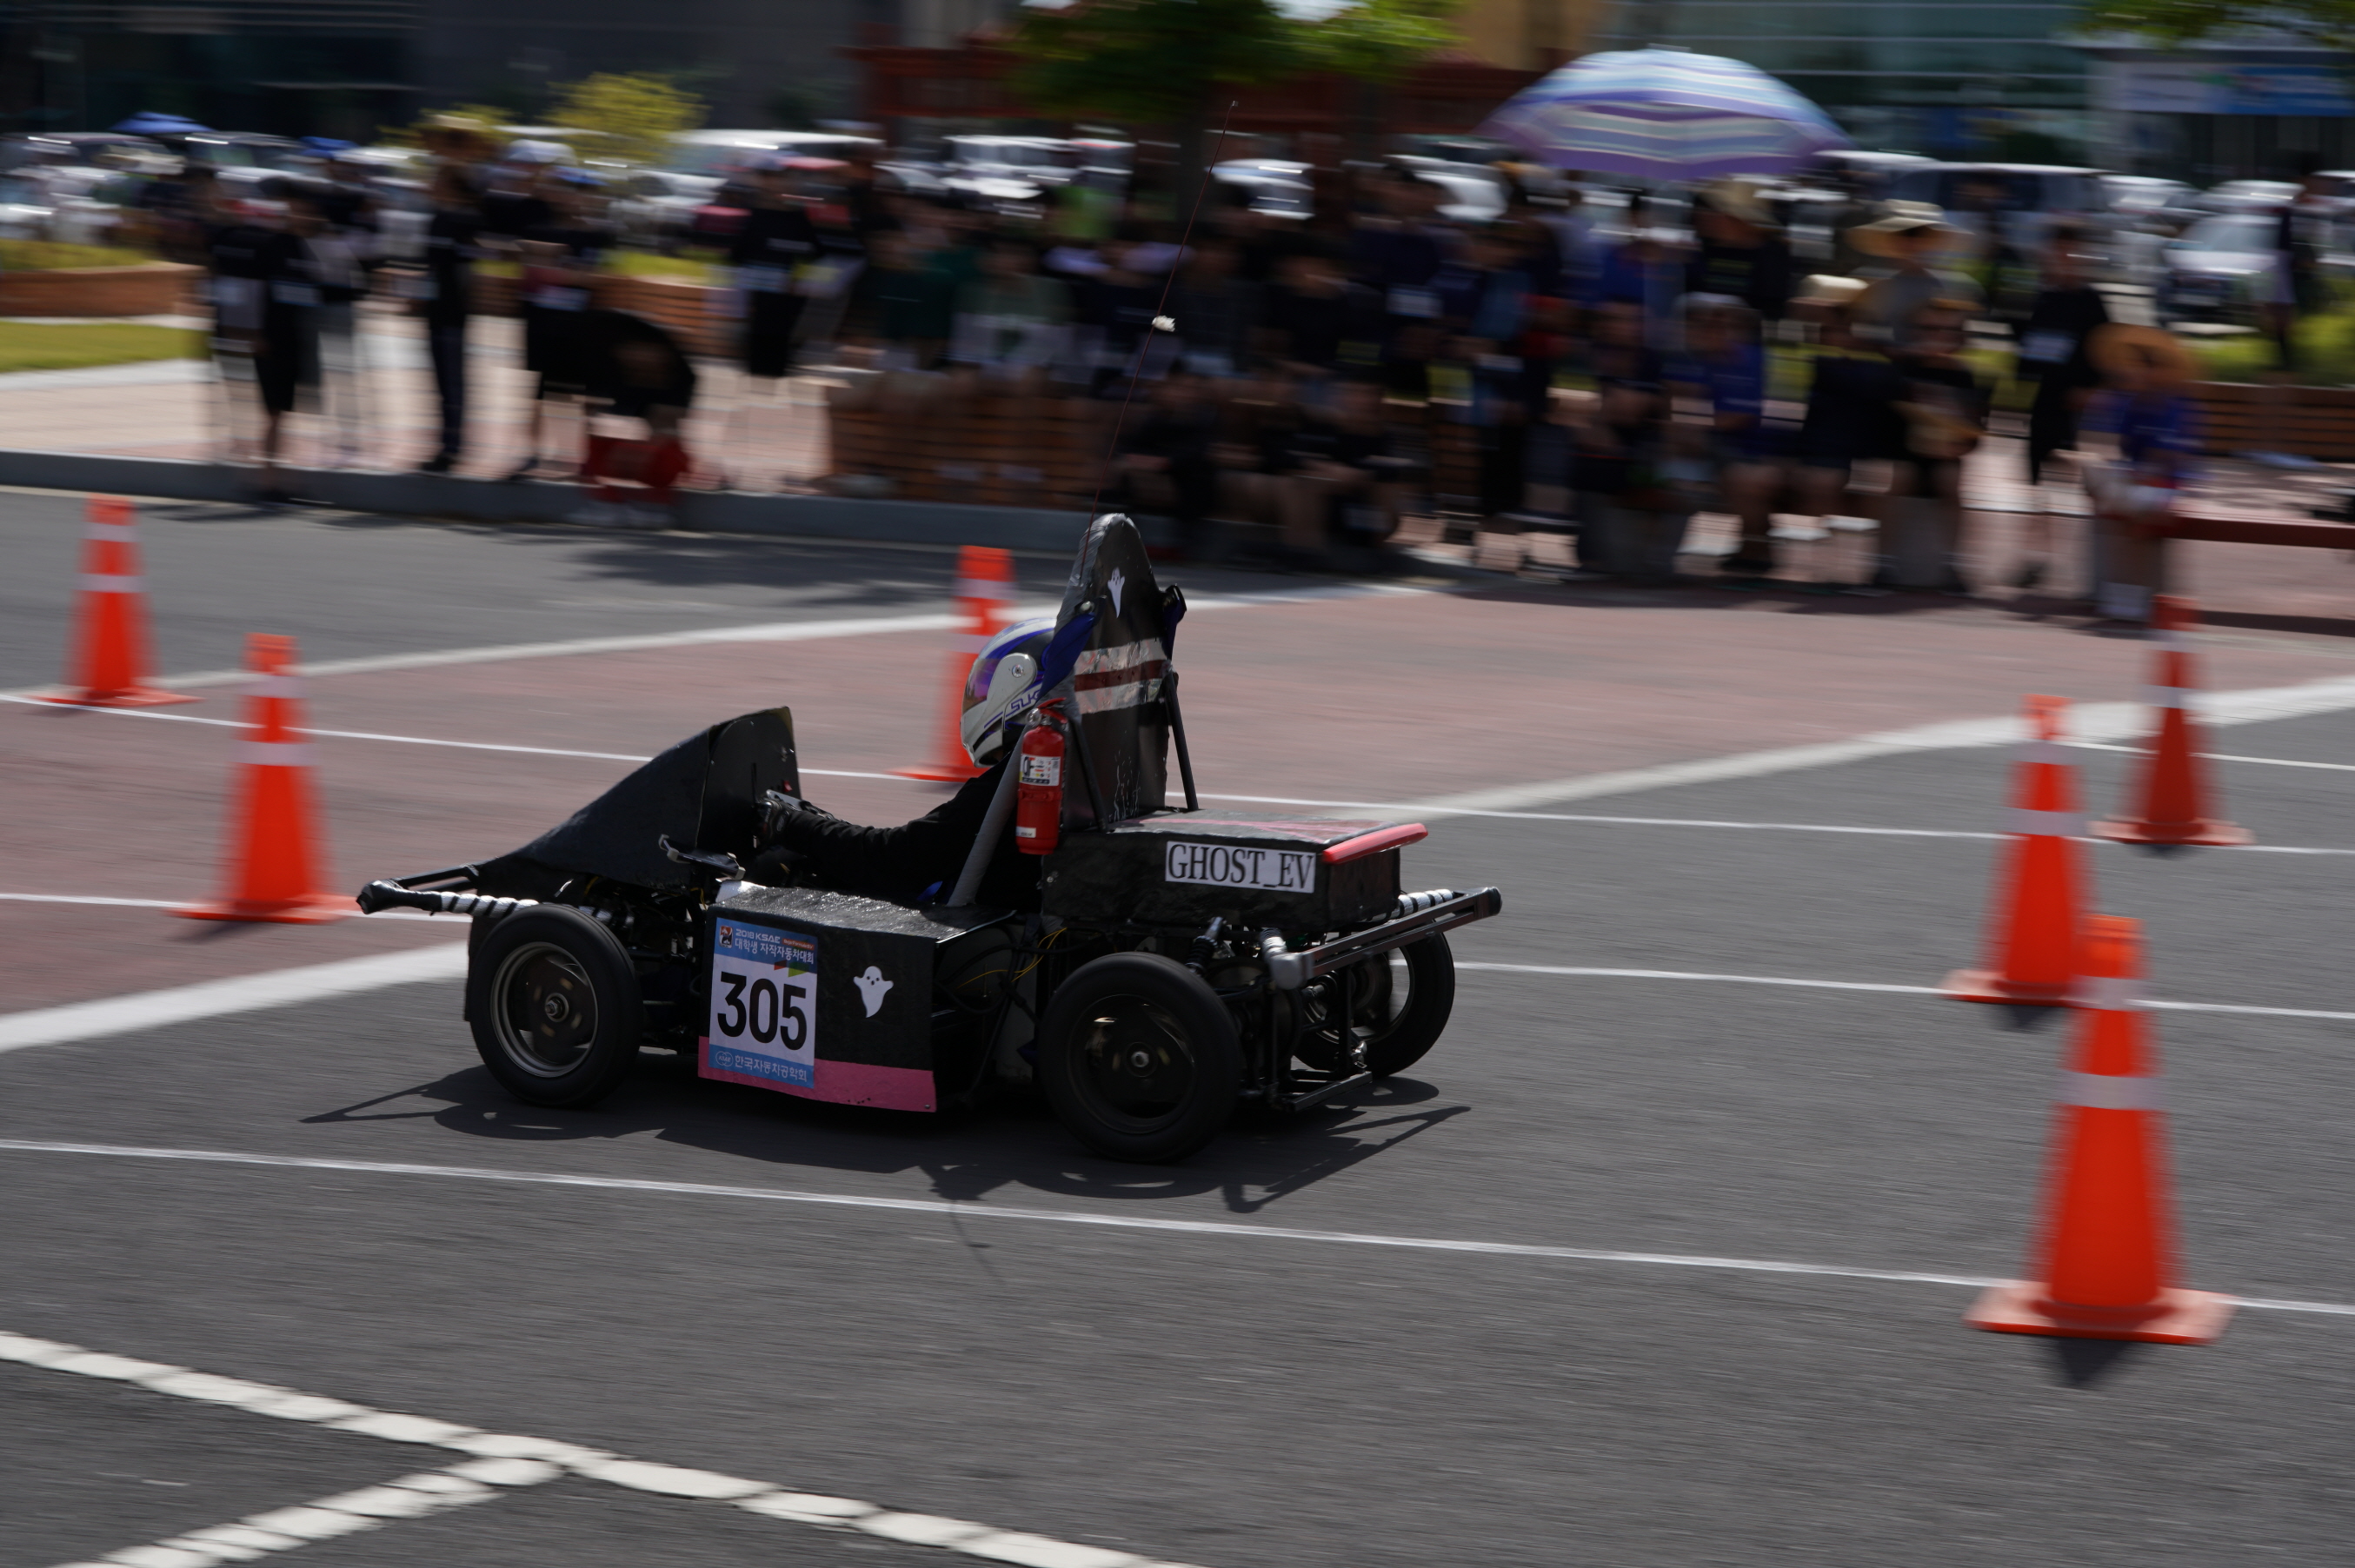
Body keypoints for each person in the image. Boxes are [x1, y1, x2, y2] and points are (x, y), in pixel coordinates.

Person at [750, 617, 1053, 911]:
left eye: (986, 684)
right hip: (1031, 919)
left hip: (988, 931)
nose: (980, 694)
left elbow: (896, 860)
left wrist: (792, 824)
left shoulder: (1011, 787)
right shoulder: (1068, 774)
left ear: (1021, 688)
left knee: (792, 873)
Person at [2081, 323, 2202, 621]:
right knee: (2094, 477)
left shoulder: (2177, 406)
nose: (2139, 372)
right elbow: (2112, 449)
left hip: (2165, 488)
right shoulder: (2128, 403)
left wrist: (2137, 473)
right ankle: (2112, 591)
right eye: (2135, 365)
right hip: (2134, 485)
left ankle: (2128, 597)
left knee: (2122, 505)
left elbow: (2170, 461)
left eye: (2148, 366)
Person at [2012, 224, 2110, 588]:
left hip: (2075, 411)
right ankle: (2035, 558)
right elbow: (2024, 354)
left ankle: (2074, 563)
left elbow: (2108, 353)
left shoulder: (2091, 301)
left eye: (2070, 251)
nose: (2063, 258)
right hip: (2040, 405)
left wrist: (2091, 390)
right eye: (2057, 251)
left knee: (2072, 485)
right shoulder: (2037, 298)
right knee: (2035, 485)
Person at [208, 189, 309, 503]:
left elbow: (225, 287)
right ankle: (270, 481)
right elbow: (245, 289)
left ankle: (265, 476)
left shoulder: (232, 239)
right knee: (274, 412)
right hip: (273, 338)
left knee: (266, 410)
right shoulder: (277, 244)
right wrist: (253, 334)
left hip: (264, 335)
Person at [1677, 294, 1781, 576]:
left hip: (1752, 450)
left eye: (1722, 324)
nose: (1712, 330)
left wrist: (1696, 426)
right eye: (1701, 323)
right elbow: (1677, 406)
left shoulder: (1751, 359)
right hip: (1706, 445)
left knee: (1745, 480)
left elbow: (1739, 417)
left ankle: (1756, 547)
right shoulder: (1689, 358)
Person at [412, 163, 482, 475]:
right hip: (435, 310)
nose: (432, 185)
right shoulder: (437, 219)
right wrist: (419, 295)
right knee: (440, 381)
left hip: (454, 311)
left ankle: (452, 448)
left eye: (438, 180)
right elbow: (431, 266)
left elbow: (470, 268)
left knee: (453, 382)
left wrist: (465, 302)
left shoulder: (467, 220)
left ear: (452, 185)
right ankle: (445, 444)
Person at [1851, 206, 1981, 348]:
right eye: (1903, 235)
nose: (1910, 244)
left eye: (1918, 235)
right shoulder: (1871, 286)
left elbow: (1964, 340)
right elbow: (1859, 337)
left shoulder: (1957, 287)